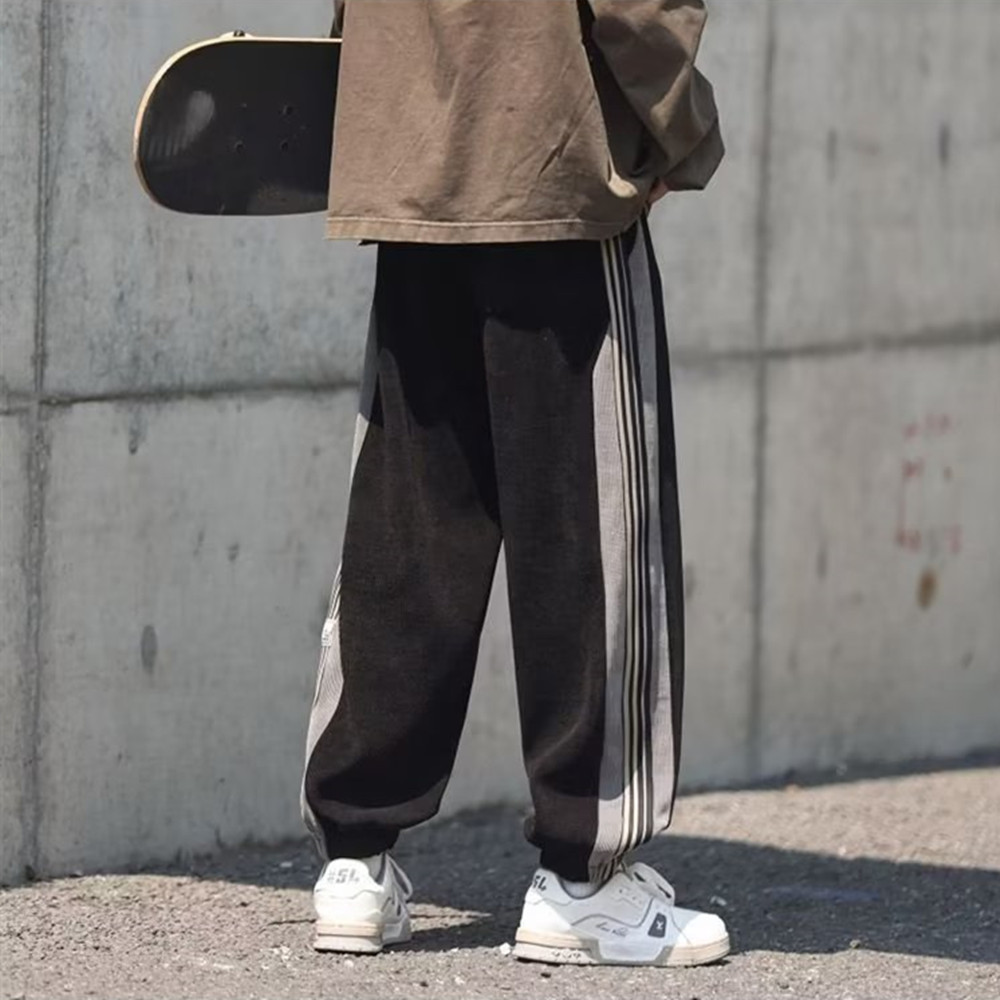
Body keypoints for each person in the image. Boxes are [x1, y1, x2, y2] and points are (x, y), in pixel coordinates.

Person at [301, 0, 727, 968]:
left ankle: (354, 863)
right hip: (551, 152)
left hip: (411, 153)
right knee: (588, 533)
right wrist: (680, 129)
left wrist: (367, 105)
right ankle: (585, 879)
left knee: (409, 526)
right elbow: (639, 11)